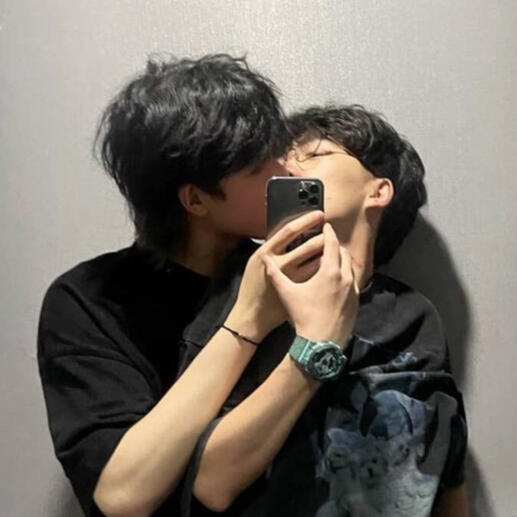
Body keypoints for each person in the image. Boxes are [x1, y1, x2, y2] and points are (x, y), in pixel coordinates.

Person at [37, 54, 340, 517]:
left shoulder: (293, 273)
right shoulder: (89, 301)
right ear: (195, 199)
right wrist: (249, 320)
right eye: (260, 165)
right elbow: (123, 496)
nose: (289, 171)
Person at [174, 105, 469, 517]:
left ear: (378, 191)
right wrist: (314, 349)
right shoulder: (252, 293)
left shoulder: (414, 317)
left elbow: (444, 465)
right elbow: (211, 483)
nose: (288, 167)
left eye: (313, 154)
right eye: (283, 158)